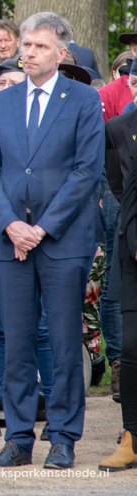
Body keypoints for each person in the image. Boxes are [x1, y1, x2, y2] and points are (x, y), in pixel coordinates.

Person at [0, 12, 104, 469]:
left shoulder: (83, 100)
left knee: (65, 341)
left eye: (38, 47)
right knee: (16, 340)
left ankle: (64, 436)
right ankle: (17, 437)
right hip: (10, 239)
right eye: (25, 45)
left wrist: (42, 228)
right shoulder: (4, 101)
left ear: (61, 53)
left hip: (62, 240)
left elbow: (87, 171)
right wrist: (12, 224)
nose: (27, 53)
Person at [102, 89, 137, 471]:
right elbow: (120, 187)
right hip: (134, 251)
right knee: (131, 347)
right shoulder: (116, 129)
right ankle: (131, 435)